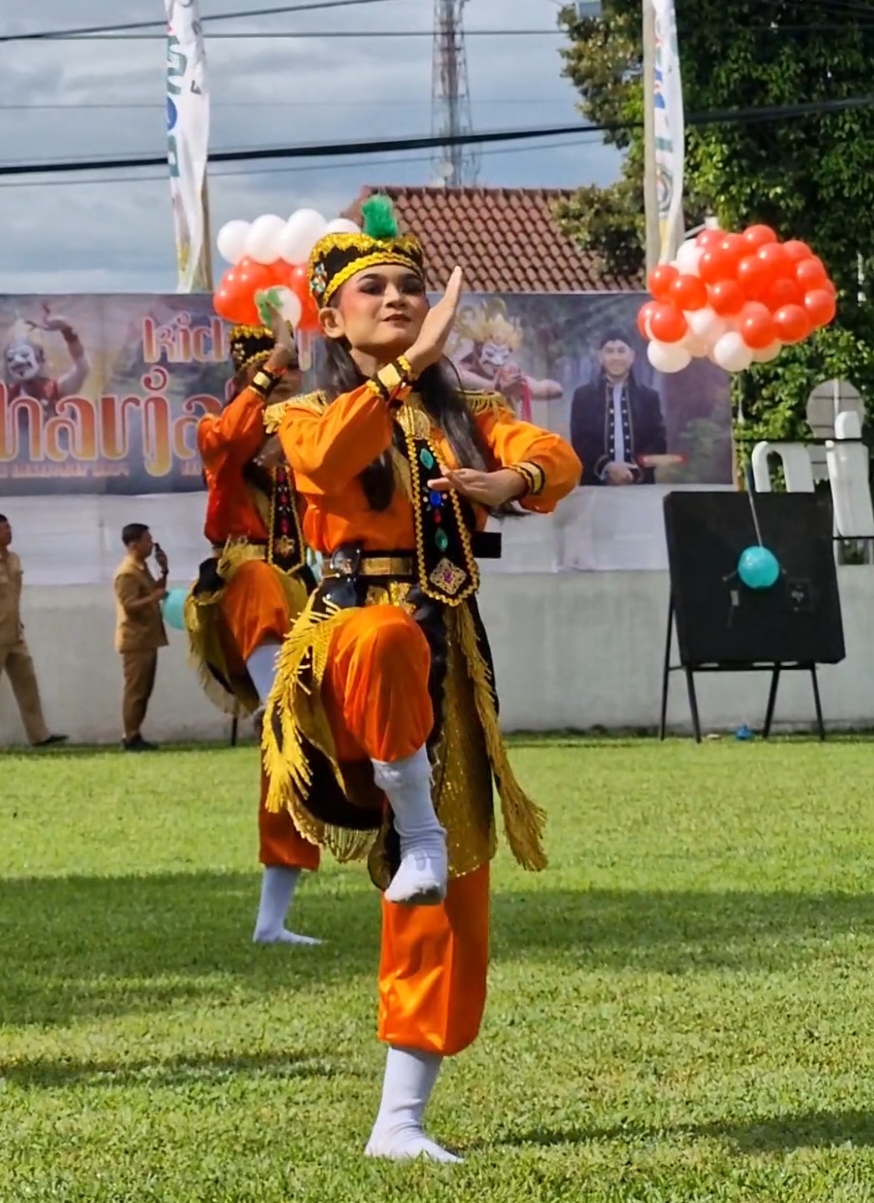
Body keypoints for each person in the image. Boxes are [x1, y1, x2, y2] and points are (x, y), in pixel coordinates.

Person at [262, 195, 582, 1162]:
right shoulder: (308, 408)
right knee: (384, 638)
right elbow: (323, 464)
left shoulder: (466, 413)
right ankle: (421, 828)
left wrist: (511, 481)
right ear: (331, 316)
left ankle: (399, 1120)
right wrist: (407, 367)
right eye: (376, 288)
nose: (399, 298)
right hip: (344, 648)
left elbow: (554, 456)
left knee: (446, 908)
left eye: (411, 286)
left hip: (451, 664)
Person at [187, 296, 322, 946]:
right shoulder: (219, 432)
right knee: (286, 721)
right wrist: (271, 365)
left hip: (305, 588)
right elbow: (234, 440)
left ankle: (273, 920)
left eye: (294, 371)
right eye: (277, 372)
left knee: (313, 751)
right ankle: (281, 701)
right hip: (247, 580)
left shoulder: (304, 438)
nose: (288, 382)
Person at [0, 513, 67, 749]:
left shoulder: (14, 559)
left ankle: (39, 735)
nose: (10, 531)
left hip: (15, 635)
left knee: (28, 685)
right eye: (5, 528)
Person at [569, 326, 667, 485]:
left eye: (621, 351)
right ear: (600, 357)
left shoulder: (649, 397)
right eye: (609, 351)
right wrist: (607, 467)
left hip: (640, 488)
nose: (616, 357)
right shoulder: (583, 396)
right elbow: (580, 442)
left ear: (632, 356)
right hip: (596, 485)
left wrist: (634, 471)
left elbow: (659, 442)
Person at [113, 523, 168, 752]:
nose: (150, 544)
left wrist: (164, 572)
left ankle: (136, 732)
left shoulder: (141, 567)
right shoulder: (126, 572)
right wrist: (154, 597)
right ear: (134, 544)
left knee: (144, 690)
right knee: (135, 691)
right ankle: (130, 736)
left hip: (148, 636)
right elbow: (129, 605)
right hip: (135, 639)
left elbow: (152, 592)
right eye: (147, 541)